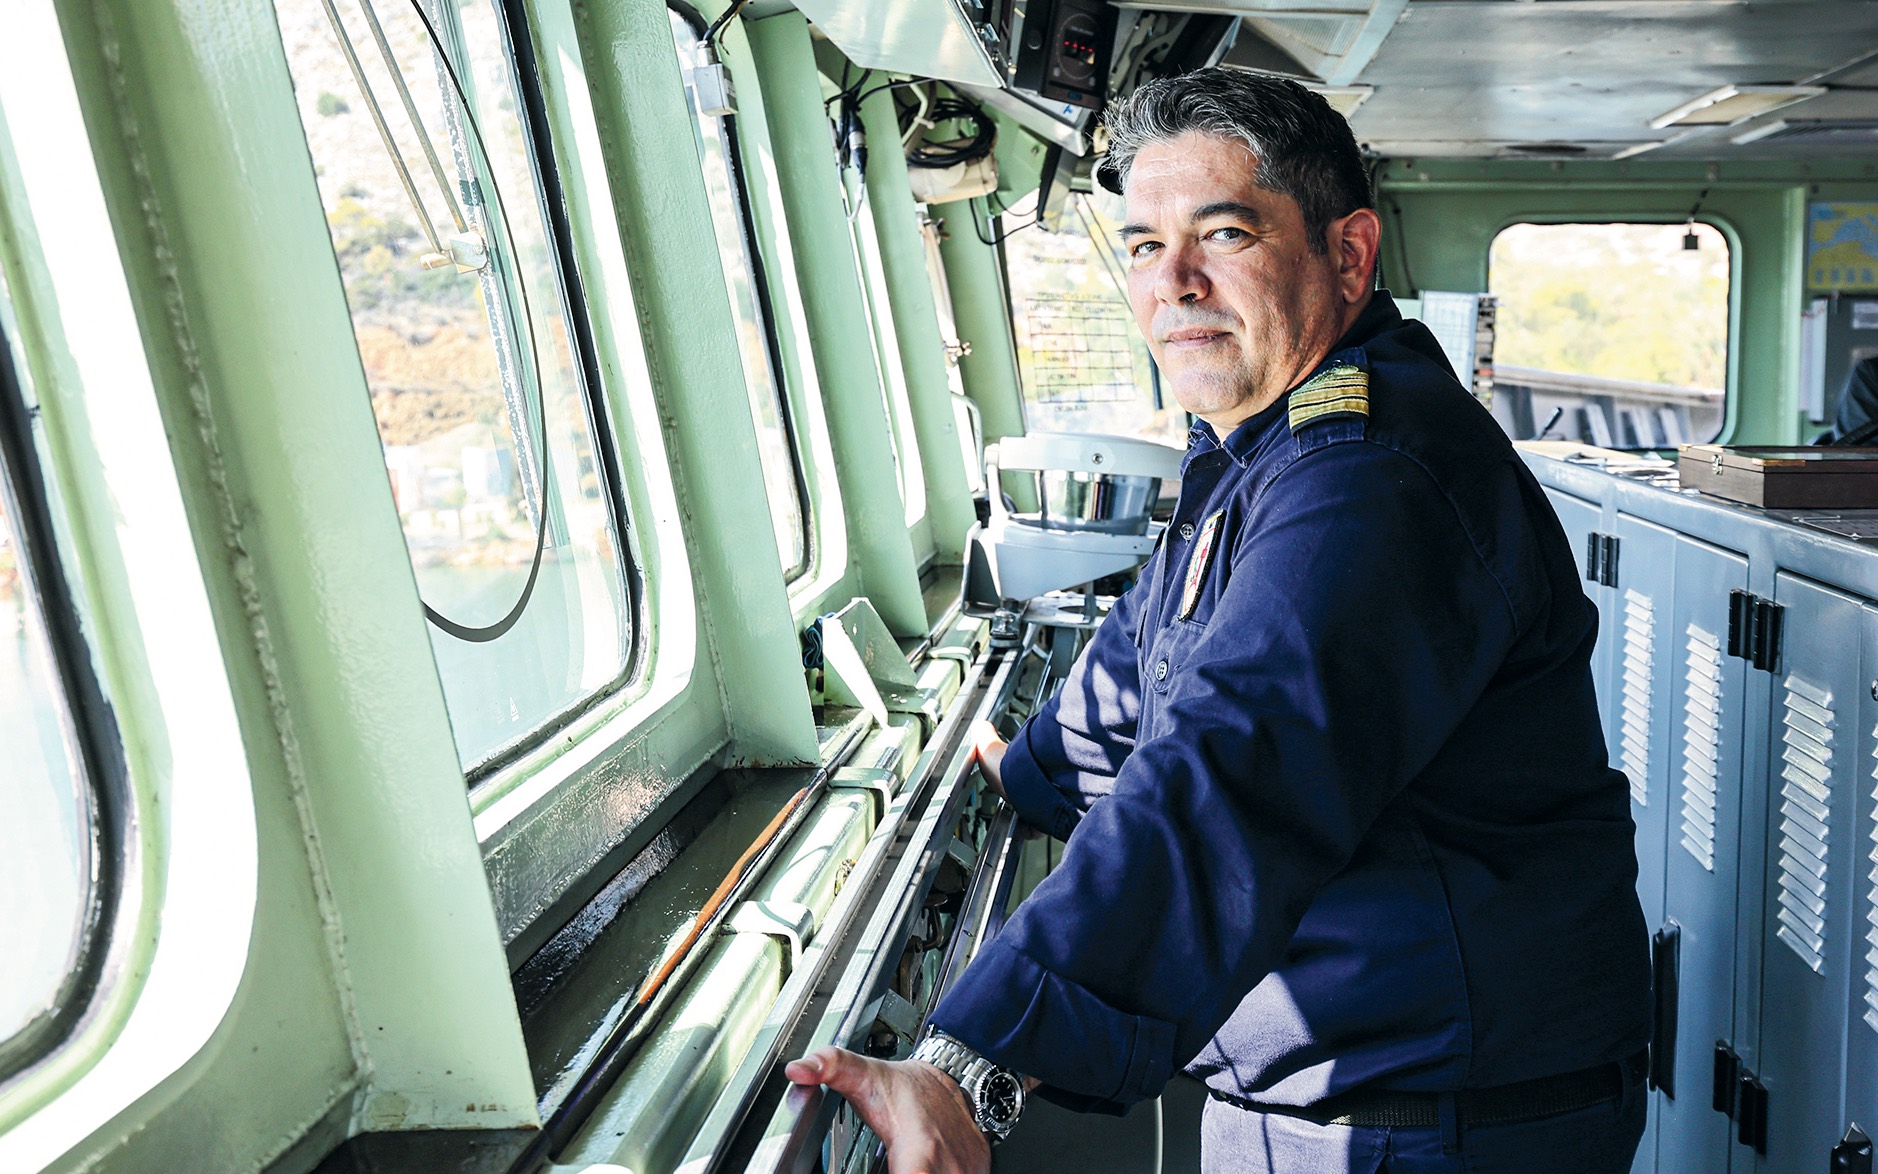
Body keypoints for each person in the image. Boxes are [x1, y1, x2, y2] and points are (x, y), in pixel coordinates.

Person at [786, 69, 1651, 1173]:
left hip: (1428, 1116)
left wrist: (969, 1064)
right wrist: (1020, 765)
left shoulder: (1371, 479)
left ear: (1347, 256)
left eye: (1223, 233)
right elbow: (1152, 652)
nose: (1173, 282)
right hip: (1359, 1088)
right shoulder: (1260, 449)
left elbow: (1231, 771)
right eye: (1142, 246)